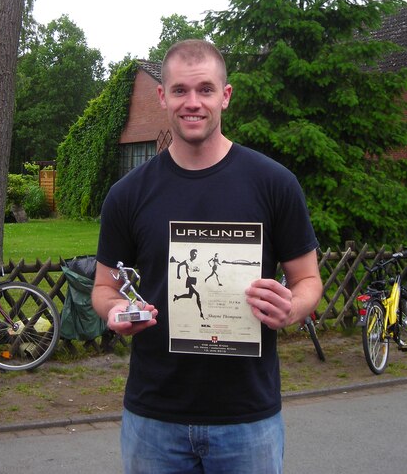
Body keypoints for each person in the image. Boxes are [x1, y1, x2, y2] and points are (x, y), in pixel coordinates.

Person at [92, 39, 322, 474]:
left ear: (226, 96)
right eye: (180, 90)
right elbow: (103, 288)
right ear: (162, 97)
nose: (192, 102)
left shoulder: (274, 184)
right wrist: (117, 309)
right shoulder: (128, 195)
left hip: (247, 418)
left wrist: (291, 307)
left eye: (205, 90)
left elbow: (309, 280)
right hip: (154, 417)